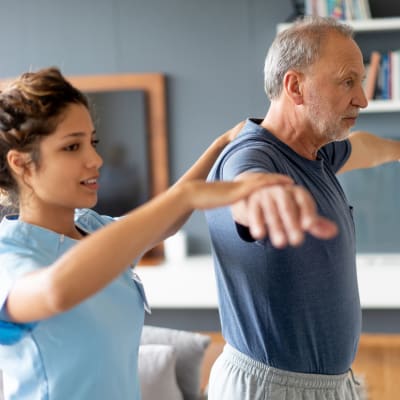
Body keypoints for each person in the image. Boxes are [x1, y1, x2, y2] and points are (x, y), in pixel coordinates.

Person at [0, 66, 316, 400]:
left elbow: (163, 222)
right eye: (72, 147)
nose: (95, 159)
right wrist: (188, 196)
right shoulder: (10, 257)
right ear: (21, 164)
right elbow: (55, 292)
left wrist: (221, 145)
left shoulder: (90, 228)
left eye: (92, 142)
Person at [205, 16, 400, 400]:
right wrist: (266, 201)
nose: (361, 98)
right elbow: (245, 188)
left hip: (326, 385)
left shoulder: (315, 153)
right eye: (348, 82)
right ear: (295, 86)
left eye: (360, 82)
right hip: (270, 389)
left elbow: (364, 146)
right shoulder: (252, 155)